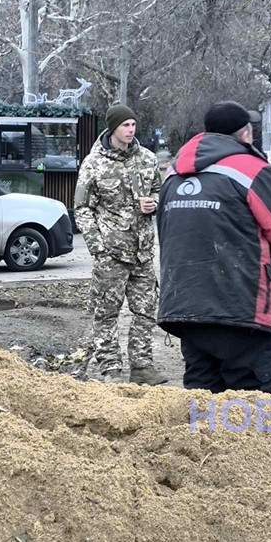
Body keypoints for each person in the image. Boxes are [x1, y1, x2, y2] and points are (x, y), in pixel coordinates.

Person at [156, 101, 271, 398]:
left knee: (203, 407)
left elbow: (165, 230)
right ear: (245, 133)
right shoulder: (251, 169)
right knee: (258, 407)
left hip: (186, 308)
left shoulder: (173, 173)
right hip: (242, 307)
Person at [74, 104, 168, 385]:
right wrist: (97, 246)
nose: (131, 130)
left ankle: (142, 366)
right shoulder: (94, 163)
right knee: (106, 313)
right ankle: (110, 367)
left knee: (144, 311)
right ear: (113, 127)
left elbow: (159, 190)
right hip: (111, 253)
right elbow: (81, 208)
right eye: (125, 125)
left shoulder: (147, 159)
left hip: (142, 252)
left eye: (133, 125)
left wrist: (155, 202)